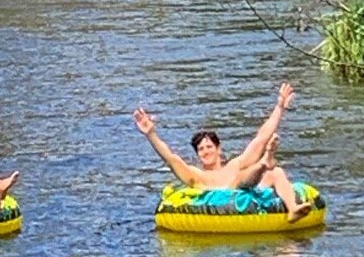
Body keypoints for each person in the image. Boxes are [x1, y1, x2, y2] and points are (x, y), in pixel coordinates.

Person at [132, 81, 312, 219]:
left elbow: (261, 138)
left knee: (276, 172)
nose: (205, 151)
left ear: (219, 149)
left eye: (209, 146)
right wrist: (151, 134)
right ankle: (265, 162)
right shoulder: (197, 176)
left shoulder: (234, 165)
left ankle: (292, 208)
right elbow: (171, 159)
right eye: (201, 149)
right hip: (231, 193)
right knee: (241, 179)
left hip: (245, 185)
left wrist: (280, 108)